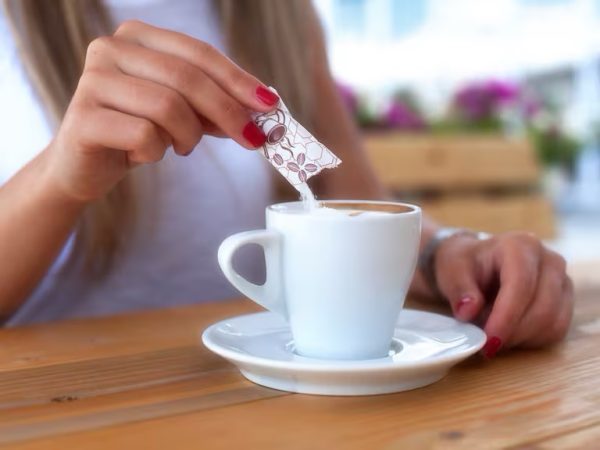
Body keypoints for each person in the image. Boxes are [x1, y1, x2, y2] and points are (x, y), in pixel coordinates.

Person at [0, 0, 573, 358]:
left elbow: (357, 207)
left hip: (264, 396)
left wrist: (449, 251)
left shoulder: (278, 14)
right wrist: (59, 178)